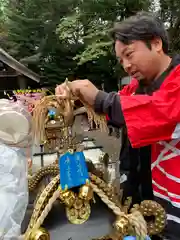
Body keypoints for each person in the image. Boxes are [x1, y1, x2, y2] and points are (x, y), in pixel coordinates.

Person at [56, 11, 180, 240]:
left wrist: (100, 99)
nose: (125, 65)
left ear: (156, 43)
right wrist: (74, 96)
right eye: (120, 60)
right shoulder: (135, 88)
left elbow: (163, 112)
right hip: (141, 201)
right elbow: (114, 110)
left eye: (129, 54)